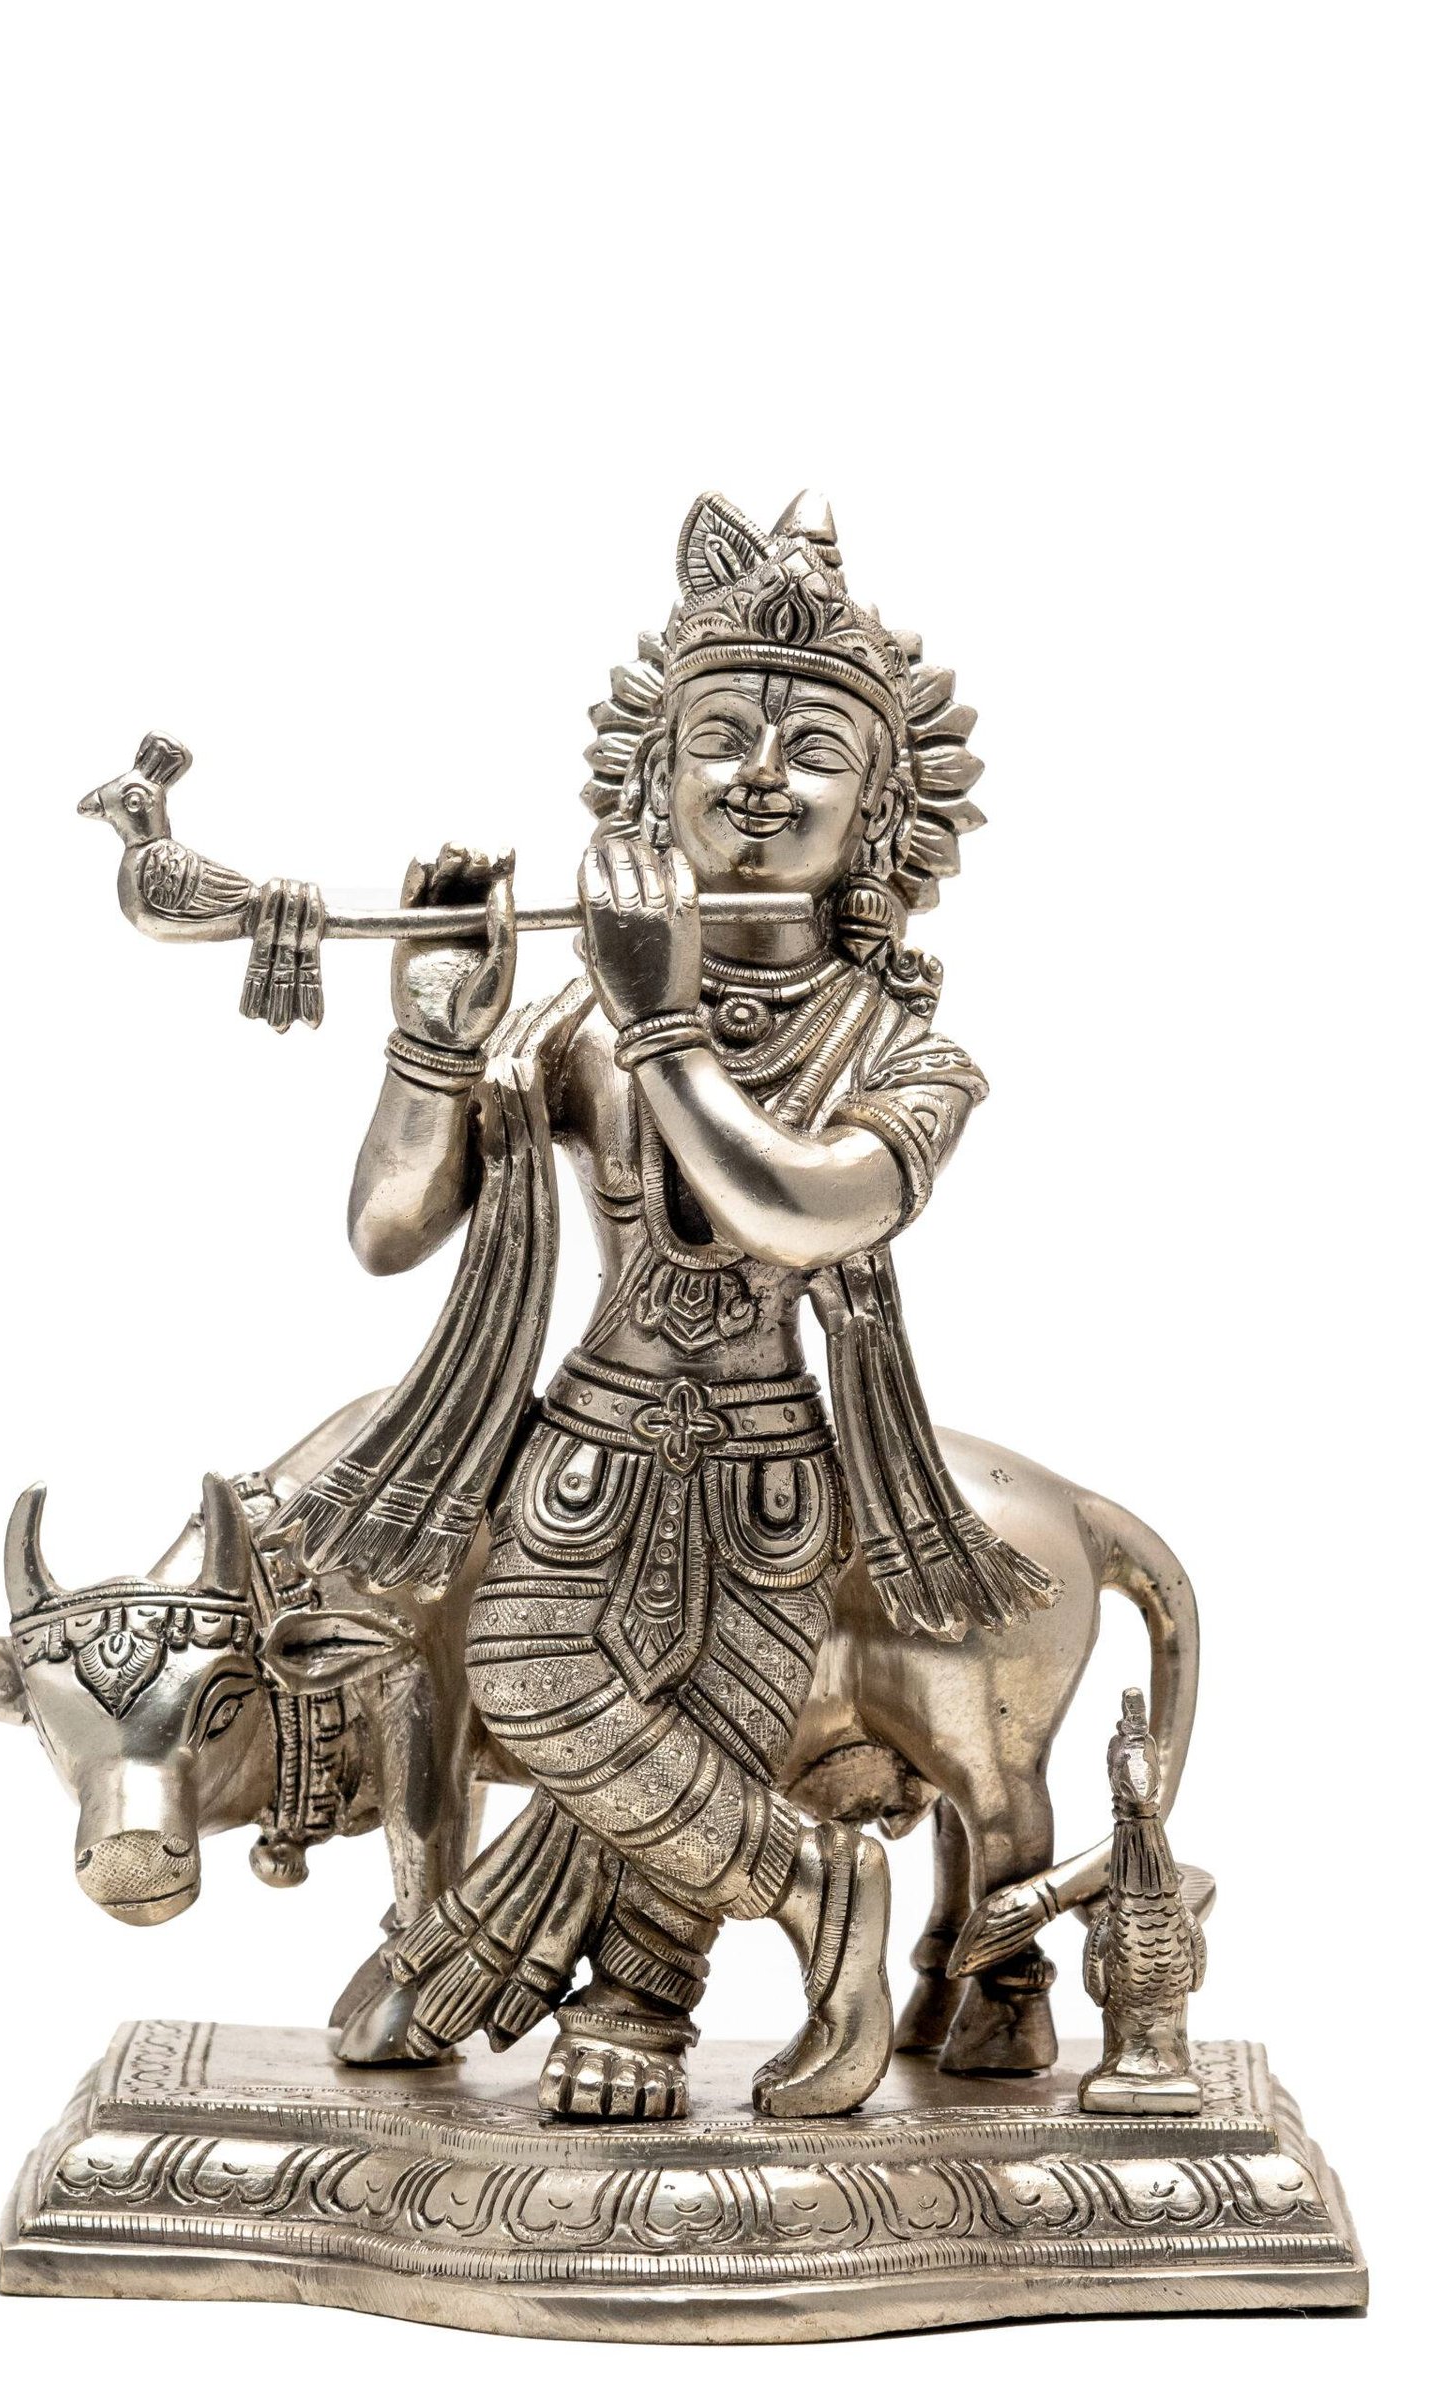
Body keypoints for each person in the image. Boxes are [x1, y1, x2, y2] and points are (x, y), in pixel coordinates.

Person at [279, 491, 1051, 2121]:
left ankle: (637, 2010)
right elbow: (389, 1230)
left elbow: (802, 1202)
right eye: (719, 738)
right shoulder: (571, 1022)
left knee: (708, 1726)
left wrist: (663, 1022)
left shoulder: (907, 1053)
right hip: (589, 1438)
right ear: (650, 786)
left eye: (811, 751)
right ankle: (820, 1887)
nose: (758, 776)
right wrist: (433, 1041)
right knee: (529, 1674)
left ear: (881, 818)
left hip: (772, 1465)